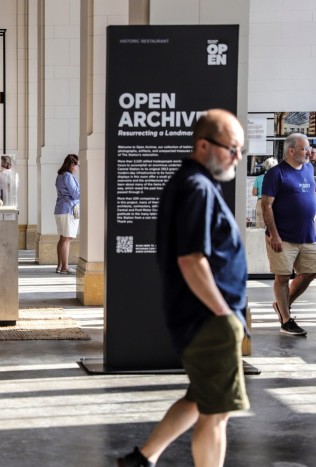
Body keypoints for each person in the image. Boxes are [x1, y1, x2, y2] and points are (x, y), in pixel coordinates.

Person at [118, 109, 249, 467]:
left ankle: (142, 458)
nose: (237, 157)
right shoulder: (197, 187)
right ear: (204, 144)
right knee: (217, 414)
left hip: (203, 319)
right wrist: (225, 316)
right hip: (208, 320)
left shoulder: (193, 183)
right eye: (231, 148)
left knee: (198, 399)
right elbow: (191, 259)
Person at [261, 132, 315, 337]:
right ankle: (286, 320)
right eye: (304, 148)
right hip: (282, 236)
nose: (308, 151)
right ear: (291, 150)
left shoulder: (309, 168)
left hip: (308, 234)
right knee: (282, 277)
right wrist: (274, 235)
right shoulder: (276, 174)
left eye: (309, 147)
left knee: (310, 272)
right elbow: (267, 206)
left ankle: (283, 304)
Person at [54, 154, 79, 275]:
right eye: (76, 165)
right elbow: (75, 194)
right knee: (66, 239)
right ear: (71, 164)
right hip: (68, 210)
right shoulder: (68, 176)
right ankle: (65, 267)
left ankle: (60, 266)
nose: (77, 168)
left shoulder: (60, 176)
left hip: (60, 210)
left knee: (62, 238)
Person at [251, 156, 277, 228]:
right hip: (273, 201)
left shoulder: (259, 178)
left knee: (260, 225)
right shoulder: (277, 178)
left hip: (261, 201)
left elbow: (254, 193)